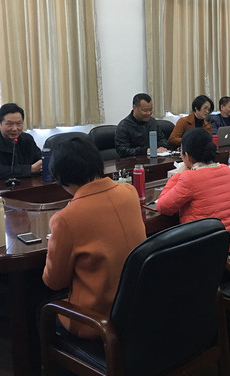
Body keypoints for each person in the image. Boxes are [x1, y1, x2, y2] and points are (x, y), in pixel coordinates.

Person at [42, 137, 146, 339]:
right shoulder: (129, 192)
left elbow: (54, 282)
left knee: (40, 309)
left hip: (97, 322)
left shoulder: (65, 218)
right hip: (137, 308)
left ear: (61, 177)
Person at [157, 129, 230, 251]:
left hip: (203, 250)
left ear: (187, 156)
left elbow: (162, 206)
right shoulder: (226, 170)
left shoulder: (190, 178)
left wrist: (178, 174)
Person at [0, 103, 42, 180]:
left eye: (18, 124)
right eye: (9, 124)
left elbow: (40, 159)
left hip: (25, 183)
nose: (15, 129)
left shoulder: (27, 139)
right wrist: (30, 169)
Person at [115, 93, 170, 157]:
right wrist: (144, 151)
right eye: (145, 110)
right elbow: (122, 150)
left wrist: (162, 146)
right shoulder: (124, 126)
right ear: (134, 108)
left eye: (150, 109)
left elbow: (162, 139)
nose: (149, 113)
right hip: (134, 161)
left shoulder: (152, 121)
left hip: (154, 159)